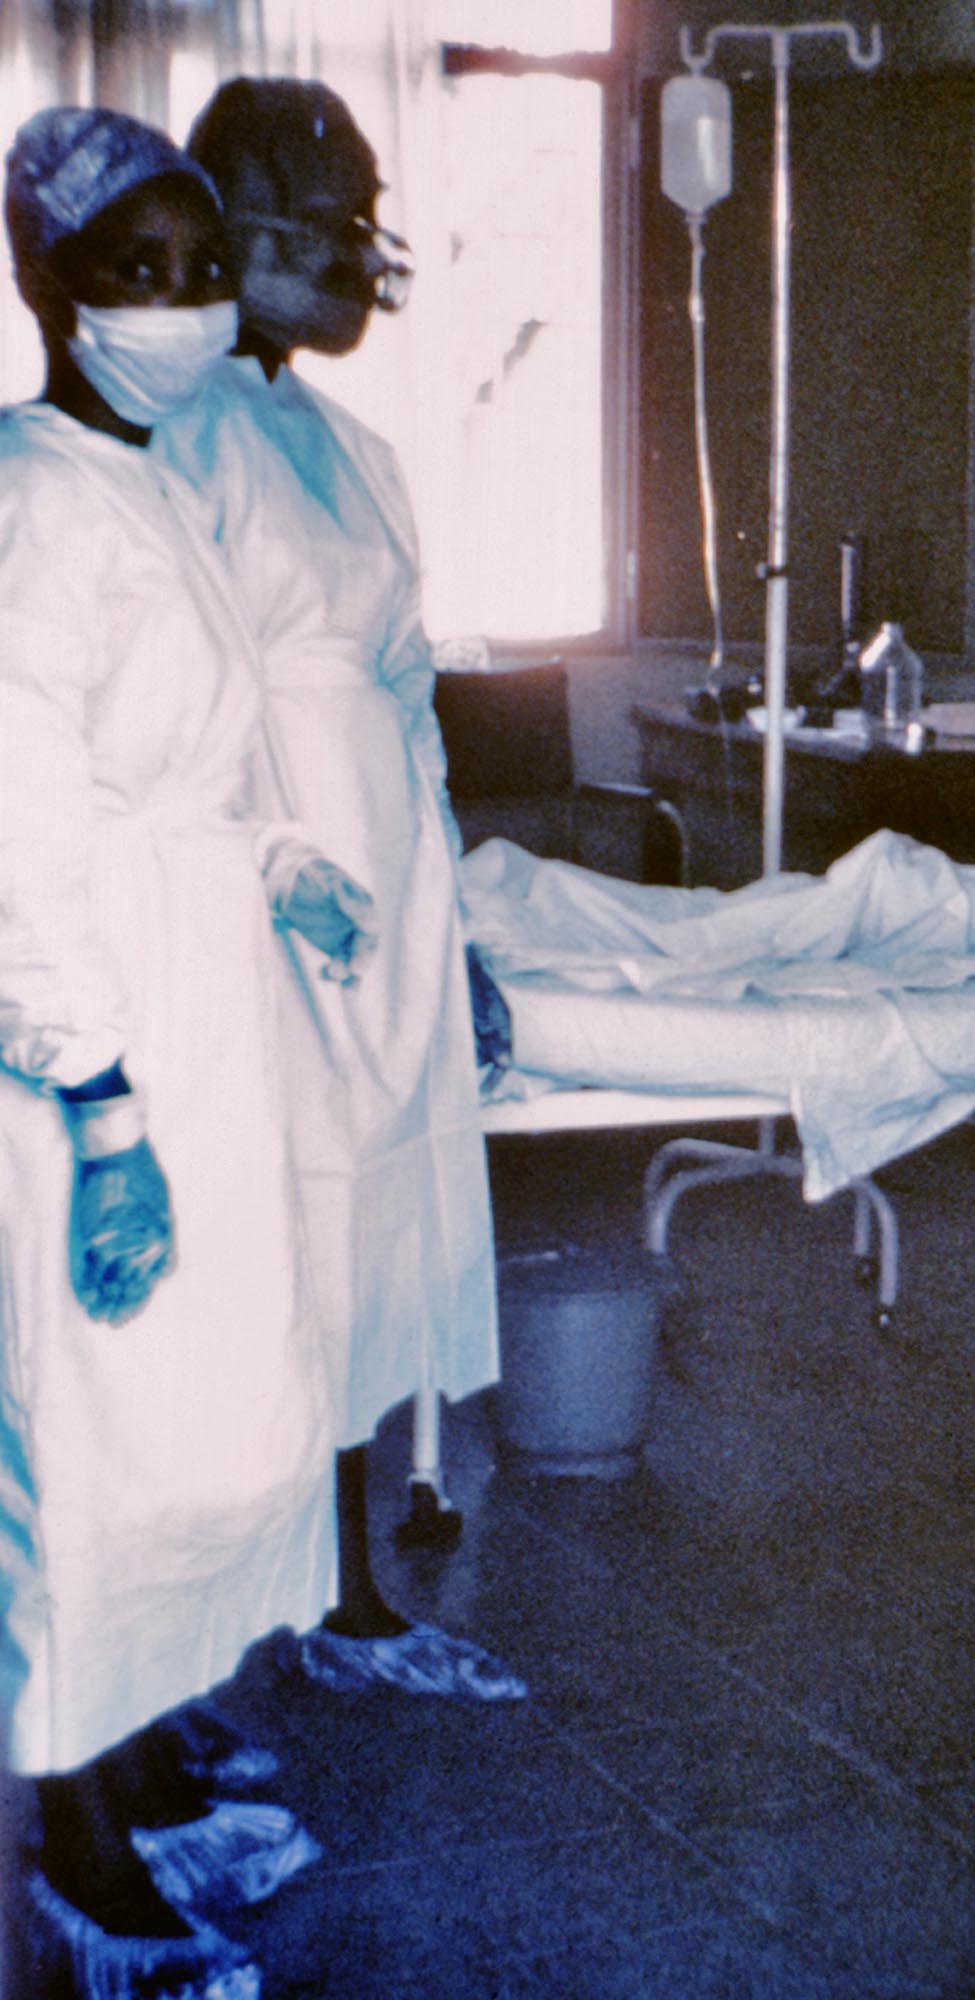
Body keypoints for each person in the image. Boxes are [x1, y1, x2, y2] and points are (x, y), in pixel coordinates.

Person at [0, 106, 381, 1994]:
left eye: (202, 266)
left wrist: (290, 859)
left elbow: (204, 764)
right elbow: (23, 839)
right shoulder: (26, 504)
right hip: (94, 1050)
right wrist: (99, 1109)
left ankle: (145, 1769)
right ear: (47, 285)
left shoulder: (162, 479)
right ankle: (75, 1851)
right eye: (135, 272)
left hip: (209, 1011)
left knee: (202, 1434)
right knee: (94, 1442)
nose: (180, 302)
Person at [154, 77, 515, 1698]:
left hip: (392, 879)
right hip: (256, 896)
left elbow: (409, 702)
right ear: (243, 224)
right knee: (261, 1257)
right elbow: (170, 719)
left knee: (367, 1241)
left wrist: (460, 941)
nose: (363, 263)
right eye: (337, 224)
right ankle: (207, 1648)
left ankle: (356, 1600)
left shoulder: (350, 446)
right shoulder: (157, 435)